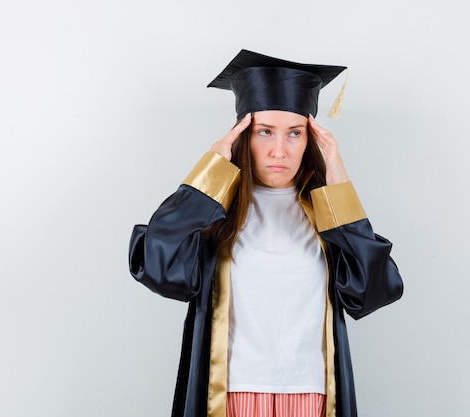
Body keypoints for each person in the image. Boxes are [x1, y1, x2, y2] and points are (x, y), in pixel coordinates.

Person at [128, 49, 403, 417]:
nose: (279, 150)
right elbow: (155, 264)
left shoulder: (325, 217)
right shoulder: (216, 215)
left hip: (311, 396)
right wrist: (208, 174)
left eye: (294, 133)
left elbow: (372, 291)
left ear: (311, 140)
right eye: (264, 132)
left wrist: (339, 186)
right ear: (243, 135)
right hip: (230, 395)